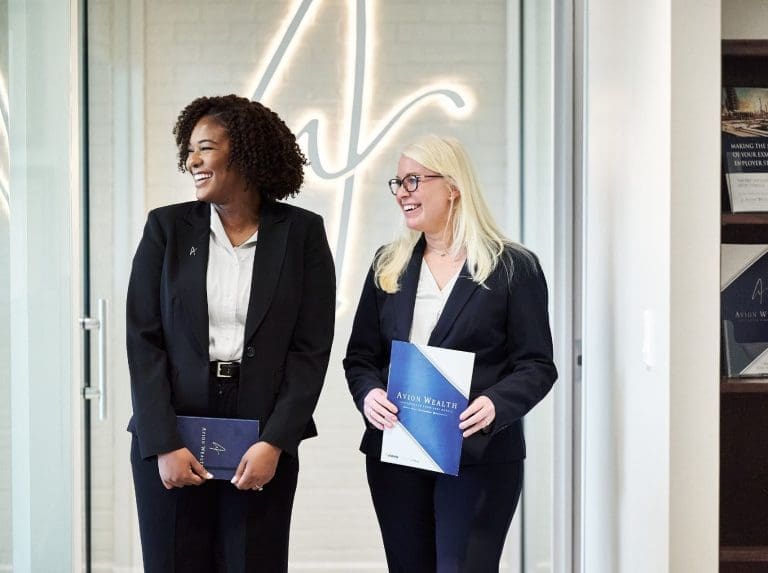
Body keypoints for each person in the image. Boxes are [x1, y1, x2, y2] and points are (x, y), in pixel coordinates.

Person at [126, 94, 335, 572]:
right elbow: (144, 340)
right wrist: (163, 442)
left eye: (205, 149)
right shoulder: (166, 228)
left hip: (260, 432)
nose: (192, 162)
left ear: (243, 152)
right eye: (190, 151)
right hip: (174, 428)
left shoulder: (301, 233)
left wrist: (276, 441)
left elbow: (311, 349)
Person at [344, 134, 557, 572]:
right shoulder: (389, 264)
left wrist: (496, 404)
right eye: (398, 183)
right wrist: (368, 395)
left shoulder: (513, 267)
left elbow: (537, 364)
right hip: (397, 452)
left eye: (414, 180)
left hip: (477, 453)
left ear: (453, 186)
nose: (402, 192)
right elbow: (360, 356)